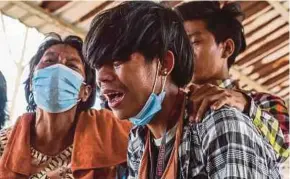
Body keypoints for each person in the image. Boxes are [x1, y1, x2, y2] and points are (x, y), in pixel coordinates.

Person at [83, 1, 281, 178]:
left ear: (165, 63)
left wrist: (245, 104)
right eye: (97, 66)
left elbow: (283, 145)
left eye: (118, 61)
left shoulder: (221, 121)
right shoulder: (139, 139)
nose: (101, 78)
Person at [0, 33, 132, 178]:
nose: (58, 69)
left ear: (85, 92)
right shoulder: (4, 145)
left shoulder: (108, 130)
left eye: (72, 66)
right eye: (49, 61)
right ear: (32, 82)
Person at [175, 1, 289, 161]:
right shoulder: (174, 108)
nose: (183, 53)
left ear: (227, 48)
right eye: (179, 46)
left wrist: (246, 106)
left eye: (194, 42)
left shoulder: (265, 103)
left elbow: (283, 150)